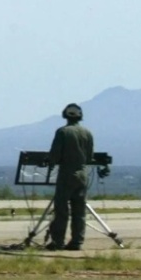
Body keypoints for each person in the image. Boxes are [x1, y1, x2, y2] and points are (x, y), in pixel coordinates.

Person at [47, 103, 94, 251]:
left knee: (61, 210)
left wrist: (50, 161)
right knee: (79, 211)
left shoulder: (62, 132)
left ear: (65, 115)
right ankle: (77, 242)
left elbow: (54, 155)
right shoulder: (87, 133)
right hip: (82, 175)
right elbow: (89, 156)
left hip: (66, 174)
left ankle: (58, 241)